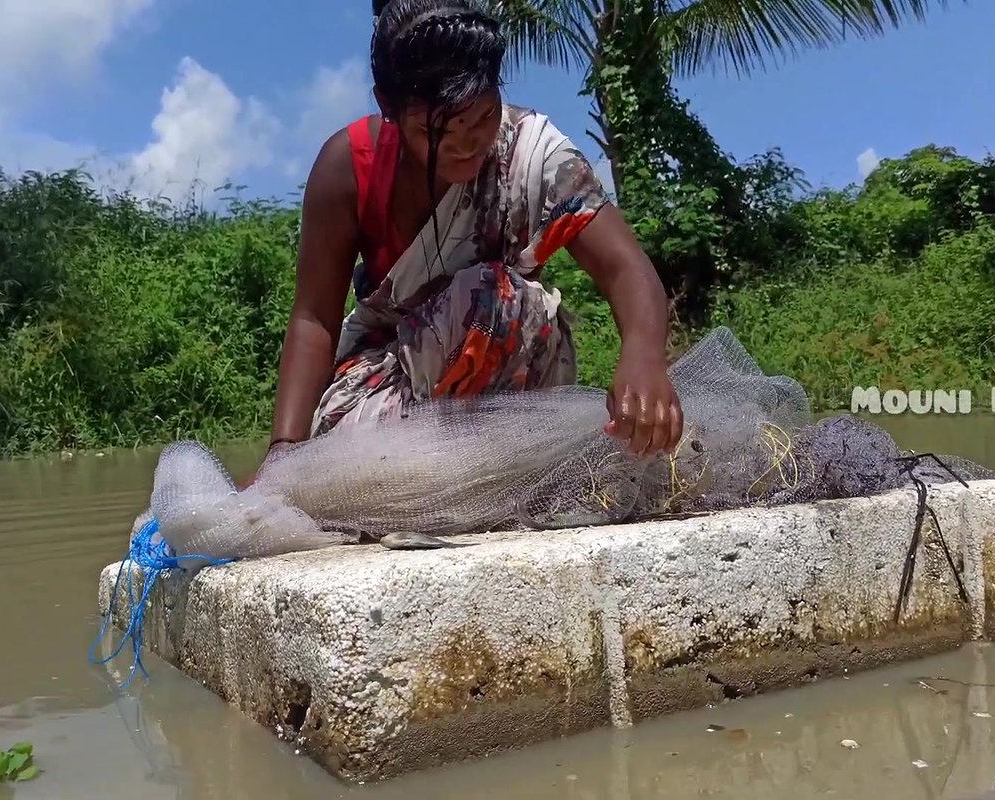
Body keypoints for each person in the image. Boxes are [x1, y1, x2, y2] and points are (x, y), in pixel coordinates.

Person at [239, 0, 683, 489]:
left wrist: (643, 356)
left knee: (500, 300)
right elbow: (313, 320)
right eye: (437, 131)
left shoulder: (533, 151)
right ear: (388, 106)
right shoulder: (348, 167)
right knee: (355, 473)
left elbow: (624, 266)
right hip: (388, 395)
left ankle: (496, 477)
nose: (467, 144)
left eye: (482, 117)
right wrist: (284, 451)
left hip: (509, 397)